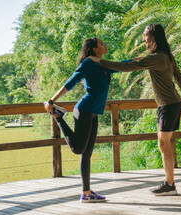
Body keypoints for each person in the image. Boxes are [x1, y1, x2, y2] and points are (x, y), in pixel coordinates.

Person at [88, 23, 181, 196]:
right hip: (168, 105)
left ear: (153, 37)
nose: (143, 38)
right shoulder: (165, 55)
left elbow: (127, 68)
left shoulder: (156, 57)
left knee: (164, 145)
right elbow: (178, 76)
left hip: (168, 105)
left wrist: (100, 62)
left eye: (145, 35)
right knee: (163, 145)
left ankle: (170, 184)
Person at [44, 37, 131, 203]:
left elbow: (121, 66)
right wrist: (51, 101)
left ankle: (86, 193)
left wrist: (136, 61)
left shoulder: (102, 64)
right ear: (94, 48)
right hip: (83, 110)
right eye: (101, 44)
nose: (105, 45)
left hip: (94, 112)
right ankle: (58, 117)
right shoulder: (88, 63)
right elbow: (71, 82)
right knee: (78, 149)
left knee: (86, 153)